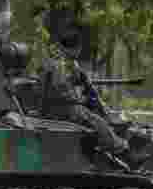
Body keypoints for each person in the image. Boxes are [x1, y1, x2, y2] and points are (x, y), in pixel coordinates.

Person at [38, 25, 128, 156]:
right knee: (96, 121)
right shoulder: (58, 64)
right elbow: (62, 92)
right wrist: (81, 100)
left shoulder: (67, 62)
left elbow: (86, 85)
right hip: (58, 109)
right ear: (76, 48)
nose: (80, 52)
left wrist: (99, 105)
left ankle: (109, 143)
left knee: (96, 113)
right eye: (79, 48)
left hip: (60, 106)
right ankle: (120, 148)